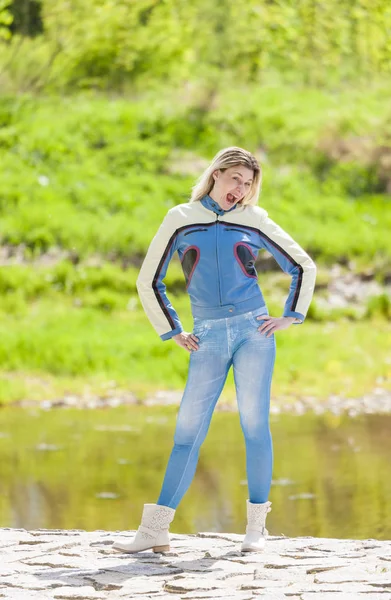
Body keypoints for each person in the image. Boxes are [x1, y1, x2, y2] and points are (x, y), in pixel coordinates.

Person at [113, 146, 316, 554]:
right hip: (205, 334)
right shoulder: (181, 218)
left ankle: (257, 529)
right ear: (216, 175)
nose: (239, 190)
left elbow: (303, 265)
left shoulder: (253, 220)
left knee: (254, 425)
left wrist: (290, 315)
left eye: (247, 184)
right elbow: (148, 280)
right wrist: (173, 330)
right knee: (187, 431)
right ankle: (155, 529)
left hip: (252, 331)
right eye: (235, 179)